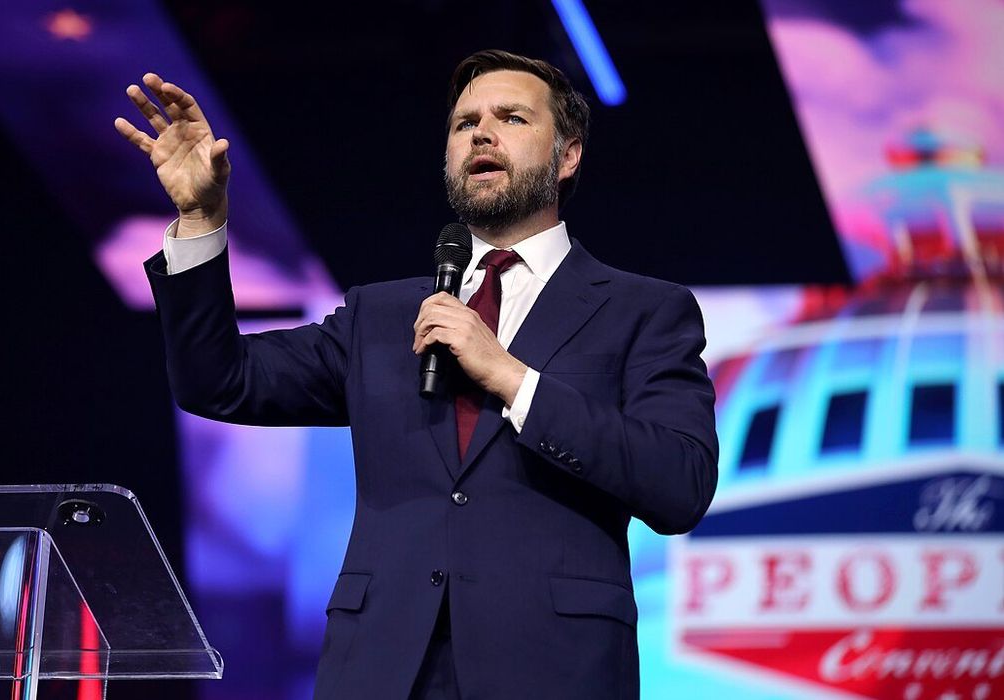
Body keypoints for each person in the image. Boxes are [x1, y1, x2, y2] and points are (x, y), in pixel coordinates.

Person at [116, 49, 718, 700]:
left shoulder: (641, 310)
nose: (481, 134)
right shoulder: (379, 315)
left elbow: (678, 484)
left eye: (511, 118)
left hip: (553, 669)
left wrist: (511, 377)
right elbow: (217, 381)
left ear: (567, 156)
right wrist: (202, 220)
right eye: (465, 123)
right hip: (381, 670)